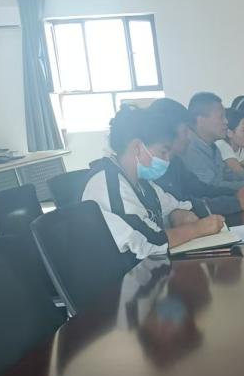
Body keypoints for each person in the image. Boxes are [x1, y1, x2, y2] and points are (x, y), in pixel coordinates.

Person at [82, 106, 225, 261]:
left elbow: (173, 206)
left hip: (150, 267)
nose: (167, 160)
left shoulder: (141, 182)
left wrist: (177, 215)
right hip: (122, 273)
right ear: (137, 147)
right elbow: (148, 241)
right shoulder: (108, 184)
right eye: (163, 152)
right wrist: (197, 229)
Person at [149, 98, 244, 215]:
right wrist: (237, 201)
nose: (226, 122)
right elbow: (187, 204)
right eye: (185, 130)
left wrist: (237, 194)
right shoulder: (158, 167)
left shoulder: (176, 161)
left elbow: (202, 189)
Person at [184, 92, 244, 195]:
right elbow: (212, 187)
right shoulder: (190, 149)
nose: (226, 121)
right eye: (221, 117)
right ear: (201, 120)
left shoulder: (212, 146)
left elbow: (232, 175)